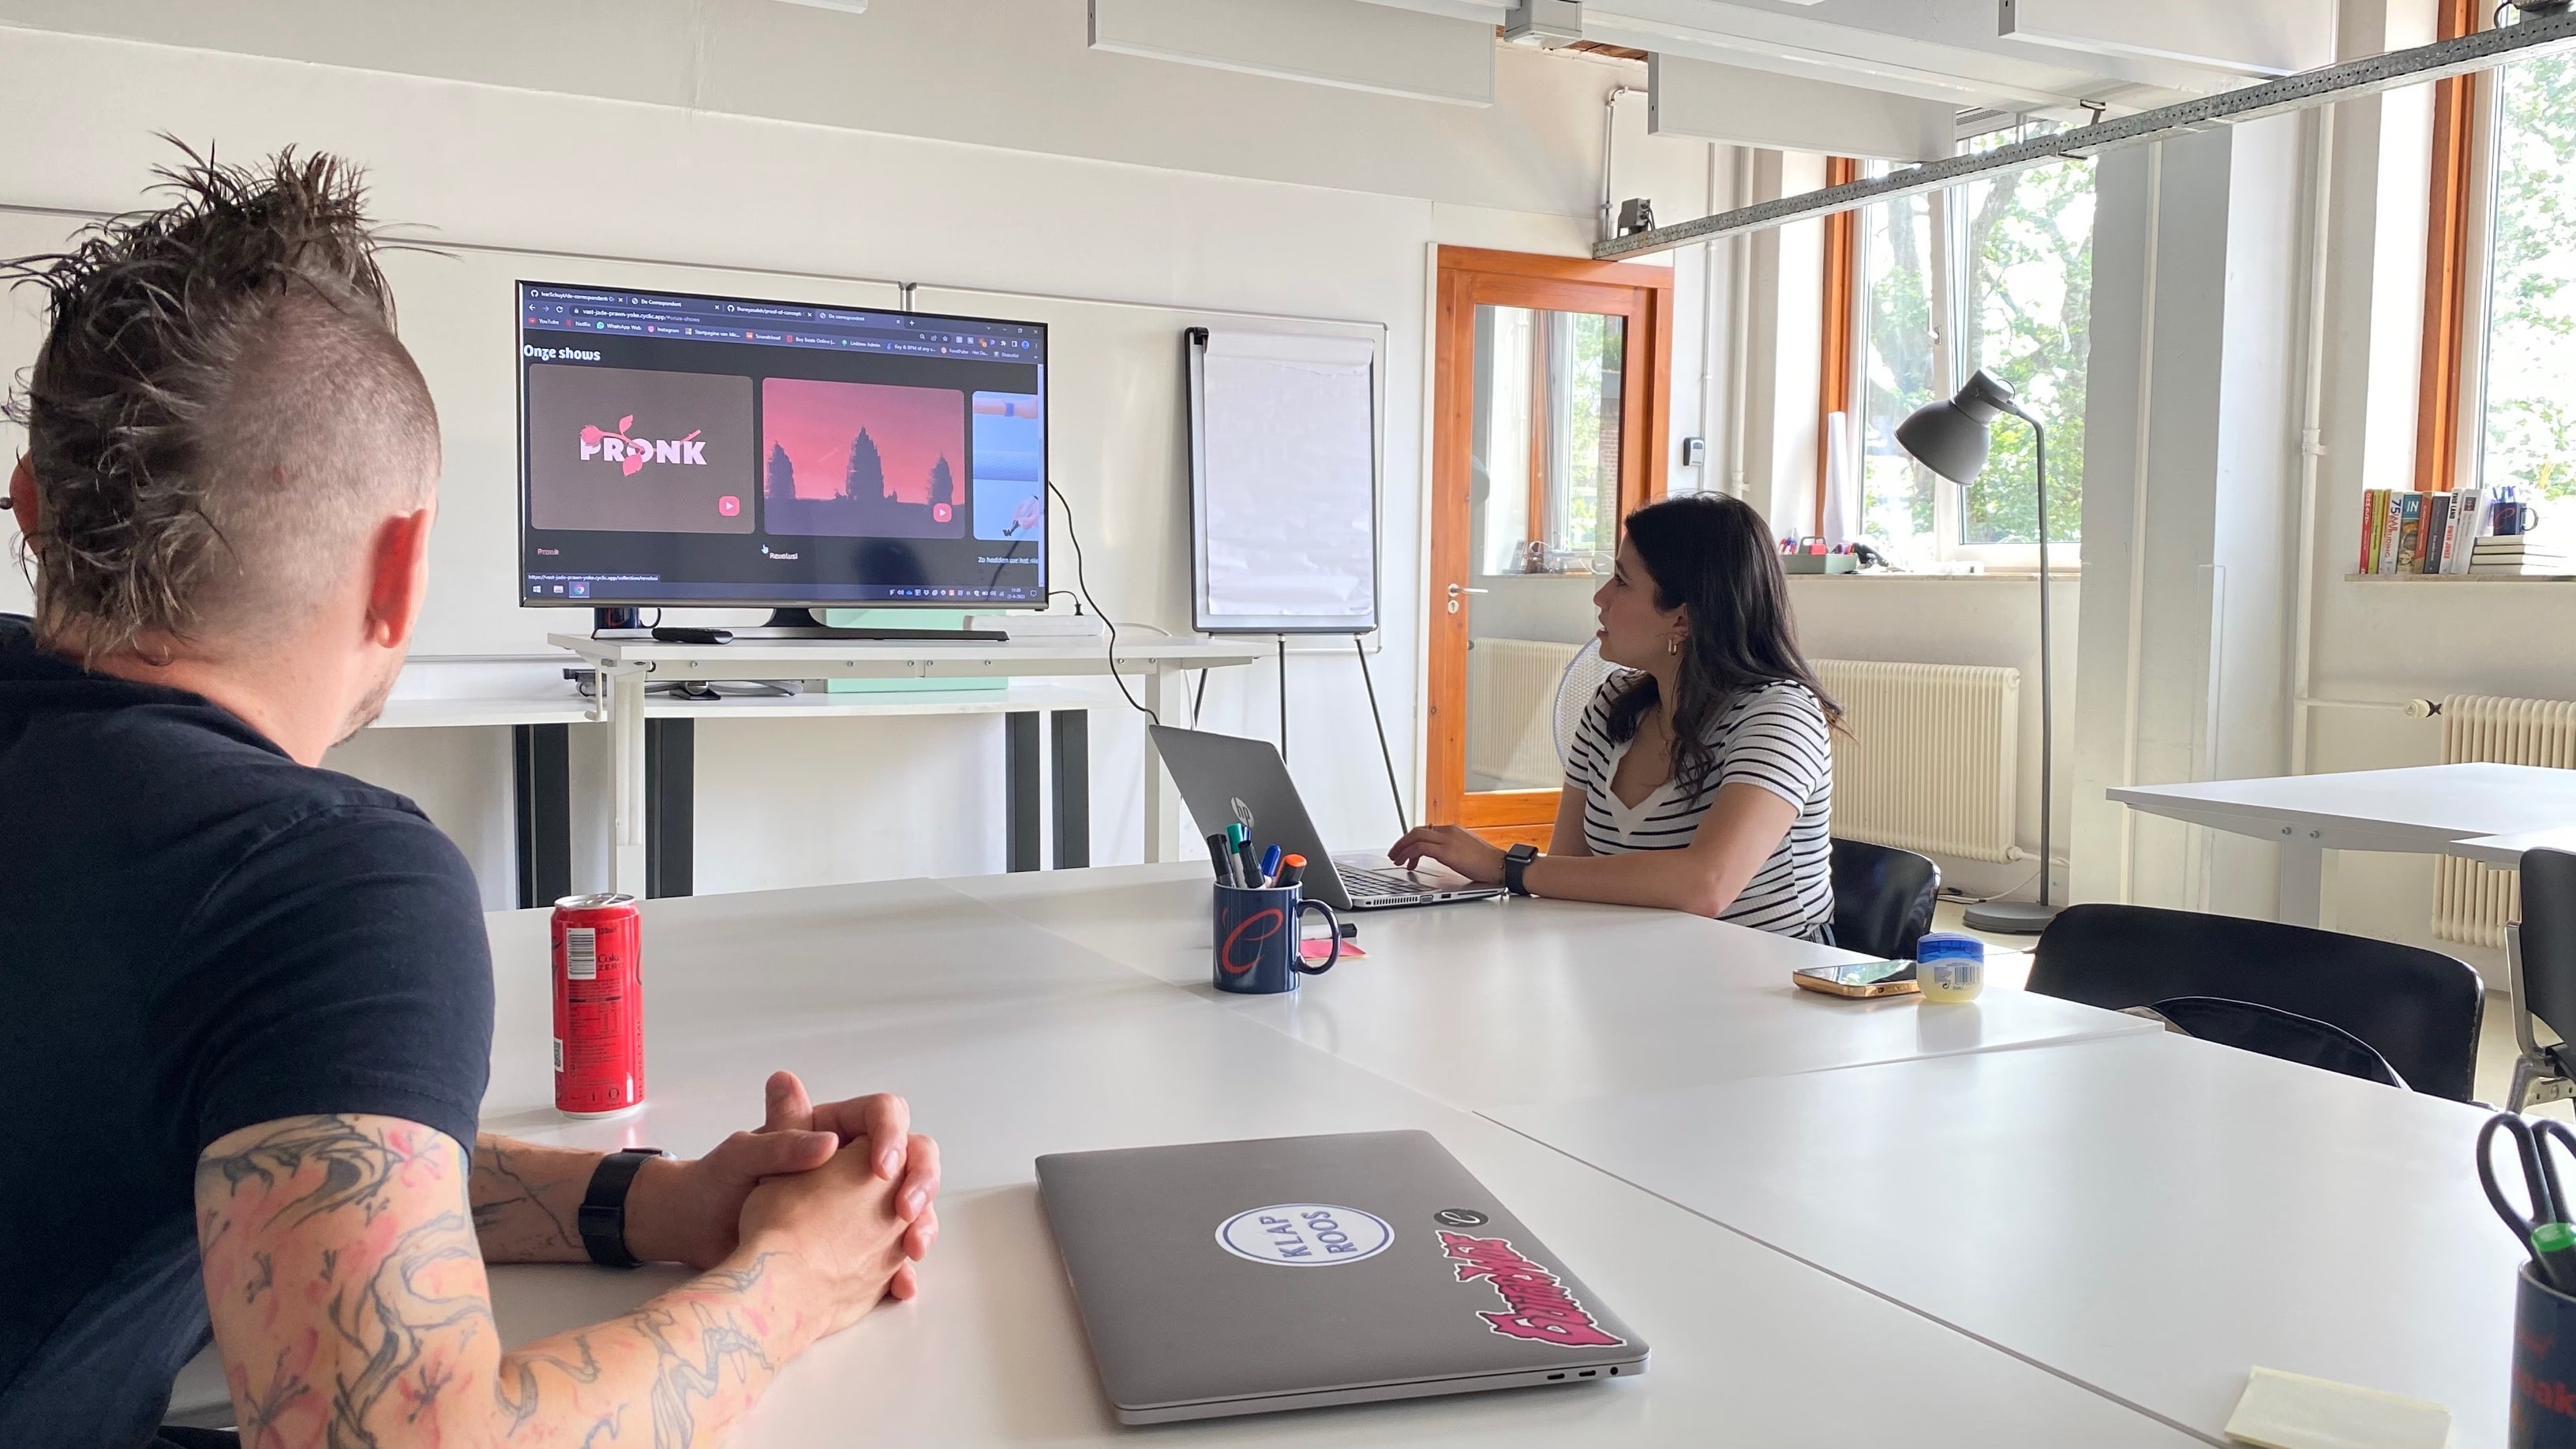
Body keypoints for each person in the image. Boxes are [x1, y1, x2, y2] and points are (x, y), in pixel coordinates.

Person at [0, 148, 941, 1449]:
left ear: (33, 510)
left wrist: (649, 1201)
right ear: (403, 567)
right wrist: (793, 1281)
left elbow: (288, 1147)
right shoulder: (311, 882)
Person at [1393, 492, 1839, 939]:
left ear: (1682, 621)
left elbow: (1707, 885)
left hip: (1774, 987)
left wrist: (1502, 865)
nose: (1600, 597)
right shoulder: (1612, 702)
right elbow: (1568, 871)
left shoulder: (1781, 713)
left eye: (1622, 582)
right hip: (1636, 966)